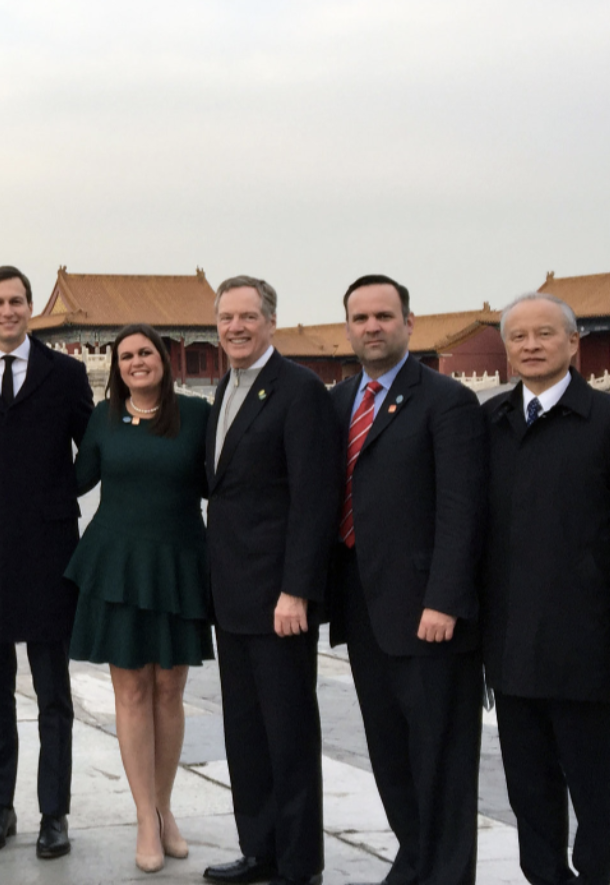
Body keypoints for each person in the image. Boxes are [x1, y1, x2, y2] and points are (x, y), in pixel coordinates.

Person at [481, 294, 610, 885]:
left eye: (545, 334)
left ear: (574, 343)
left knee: (594, 785)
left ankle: (595, 876)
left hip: (585, 646)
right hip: (509, 644)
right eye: (518, 337)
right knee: (528, 785)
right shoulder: (492, 422)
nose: (531, 346)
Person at [327, 275, 488, 885]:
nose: (372, 327)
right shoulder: (339, 400)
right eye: (361, 317)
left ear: (409, 323)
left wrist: (445, 599)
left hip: (428, 613)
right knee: (390, 753)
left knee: (441, 758)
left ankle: (447, 872)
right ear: (347, 327)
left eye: (383, 316)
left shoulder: (446, 401)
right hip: (364, 607)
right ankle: (415, 856)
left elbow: (460, 509)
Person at [0, 265, 93, 858]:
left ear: (30, 307)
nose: (6, 311)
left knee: (53, 693)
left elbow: (95, 451)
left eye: (16, 301)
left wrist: (61, 496)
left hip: (49, 551)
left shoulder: (66, 374)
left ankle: (53, 813)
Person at [202, 278, 341, 885]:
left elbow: (314, 500)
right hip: (231, 593)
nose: (236, 327)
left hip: (279, 597)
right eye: (226, 317)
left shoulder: (299, 391)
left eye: (247, 317)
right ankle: (258, 847)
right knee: (246, 732)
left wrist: (297, 590)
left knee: (287, 733)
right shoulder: (224, 389)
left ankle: (299, 861)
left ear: (271, 322)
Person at [66, 323, 212, 874]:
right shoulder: (102, 419)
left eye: (145, 352)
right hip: (118, 564)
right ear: (116, 366)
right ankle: (144, 819)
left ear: (163, 358)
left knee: (170, 689)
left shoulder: (196, 415)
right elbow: (74, 482)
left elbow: (222, 481)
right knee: (131, 691)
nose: (135, 362)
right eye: (125, 356)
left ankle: (164, 807)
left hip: (177, 562)